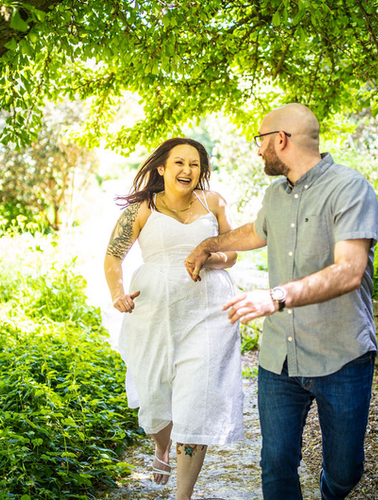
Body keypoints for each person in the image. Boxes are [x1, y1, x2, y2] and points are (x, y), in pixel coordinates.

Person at [185, 103, 378, 500]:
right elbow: (255, 233)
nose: (258, 150)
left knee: (344, 472)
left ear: (280, 140)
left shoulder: (350, 188)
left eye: (260, 141)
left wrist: (276, 297)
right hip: (280, 360)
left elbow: (349, 270)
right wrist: (209, 244)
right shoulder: (276, 194)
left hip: (341, 355)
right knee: (275, 464)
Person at [103, 137, 244, 500]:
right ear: (162, 168)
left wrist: (208, 257)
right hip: (154, 314)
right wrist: (118, 294)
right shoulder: (142, 209)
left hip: (209, 312)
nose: (187, 170)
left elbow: (231, 254)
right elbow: (113, 258)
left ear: (202, 170)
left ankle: (183, 495)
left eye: (194, 164)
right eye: (179, 163)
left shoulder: (213, 202)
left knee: (196, 399)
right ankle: (162, 449)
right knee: (154, 396)